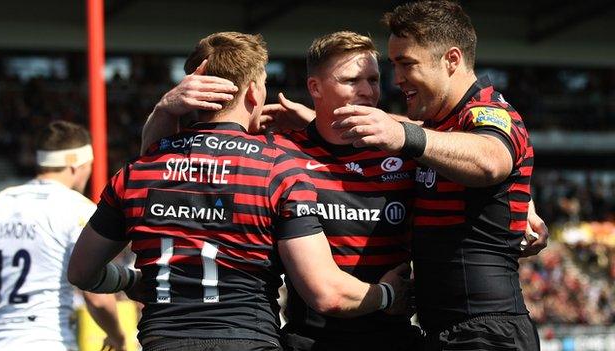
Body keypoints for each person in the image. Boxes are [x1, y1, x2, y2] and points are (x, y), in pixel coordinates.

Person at [139, 30, 549, 351]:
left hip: (397, 337)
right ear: (315, 88)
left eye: (373, 79)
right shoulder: (280, 154)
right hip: (311, 339)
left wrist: (522, 200)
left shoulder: (403, 148)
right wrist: (165, 109)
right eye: (352, 80)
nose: (368, 91)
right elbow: (171, 167)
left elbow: (477, 150)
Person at [67, 31, 409, 351]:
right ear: (253, 93)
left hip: (162, 339)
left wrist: (127, 280)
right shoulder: (278, 168)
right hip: (248, 337)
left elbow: (81, 272)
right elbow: (325, 292)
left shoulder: (137, 173)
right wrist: (388, 295)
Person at [331, 1, 542, 349]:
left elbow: (490, 160)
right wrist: (316, 119)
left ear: (452, 60)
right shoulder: (438, 125)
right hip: (444, 332)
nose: (396, 79)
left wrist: (404, 137)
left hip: (487, 333)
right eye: (394, 64)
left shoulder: (490, 111)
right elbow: (414, 129)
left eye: (407, 64)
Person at [0, 121, 126, 351]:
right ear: (76, 166)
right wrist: (117, 337)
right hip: (47, 339)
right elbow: (96, 296)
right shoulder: (76, 209)